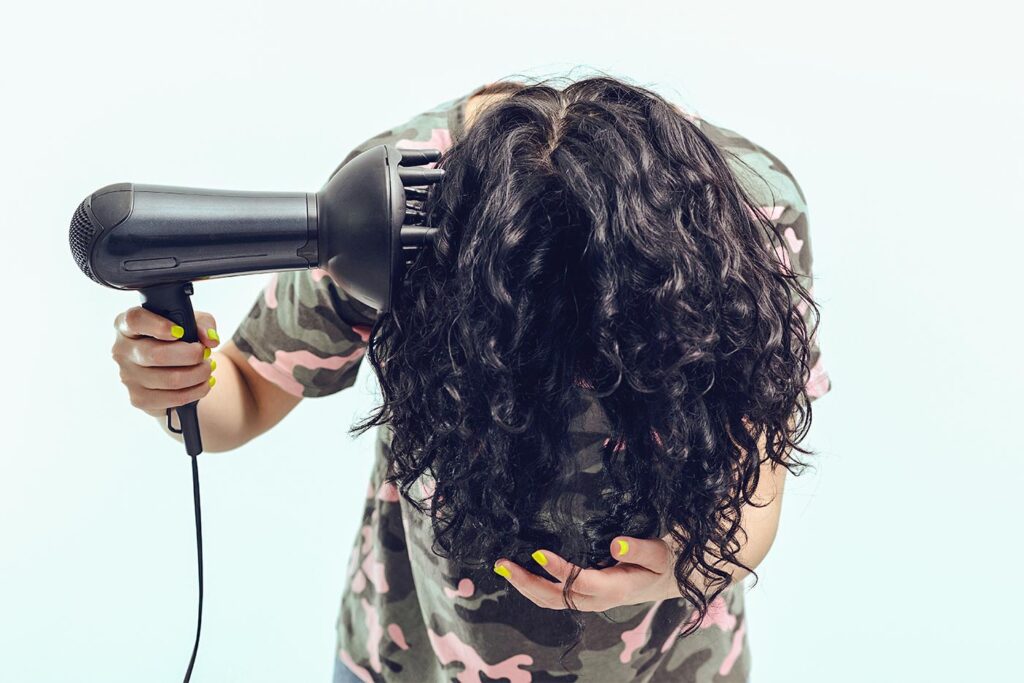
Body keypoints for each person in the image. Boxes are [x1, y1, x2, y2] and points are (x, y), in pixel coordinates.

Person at [110, 75, 832, 683]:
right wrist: (182, 384)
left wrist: (690, 563)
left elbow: (755, 472)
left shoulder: (742, 221)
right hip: (413, 655)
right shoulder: (392, 216)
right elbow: (248, 390)